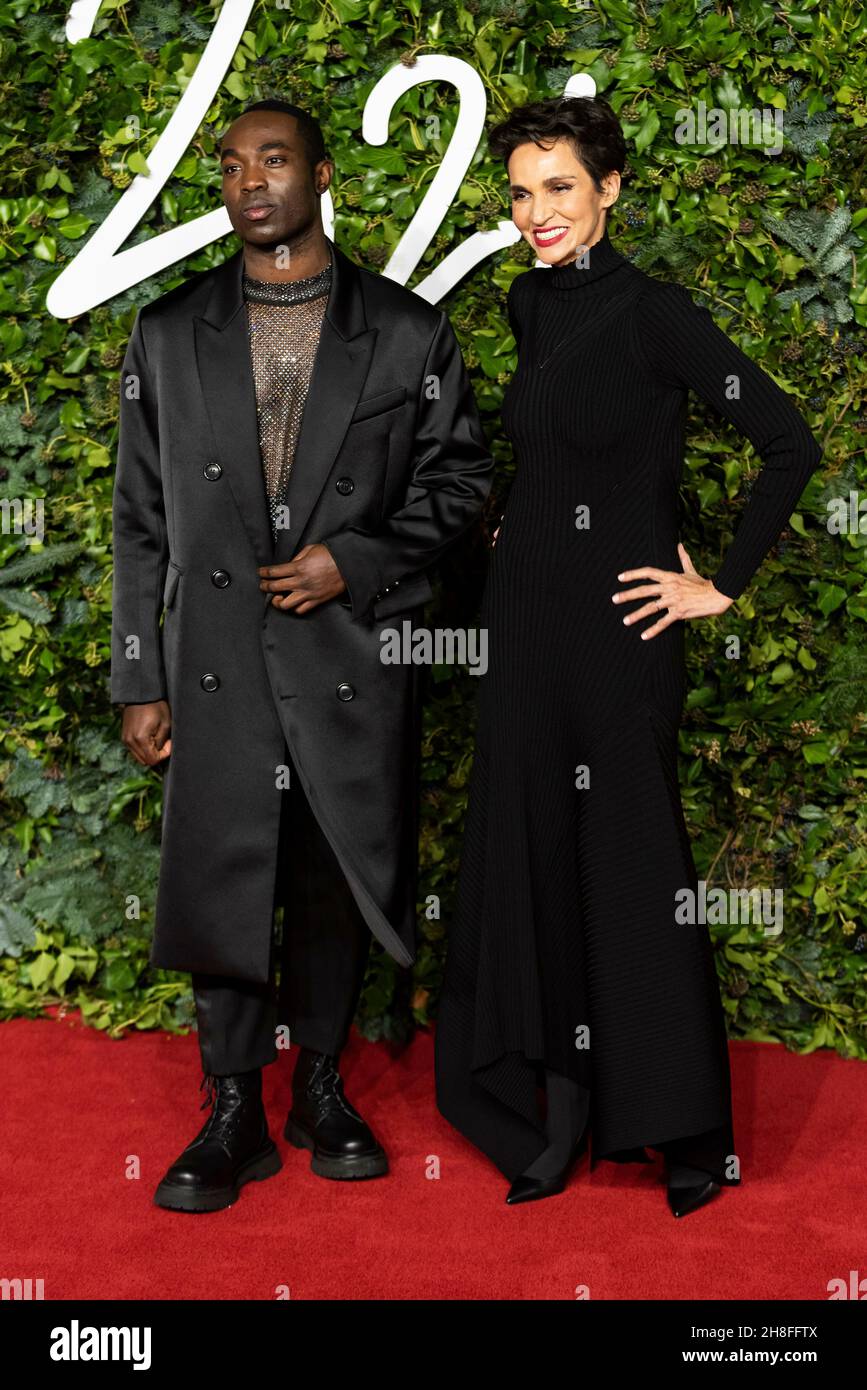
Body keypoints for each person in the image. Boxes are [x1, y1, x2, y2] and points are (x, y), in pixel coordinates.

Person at [434, 95, 822, 1217]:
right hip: (521, 628)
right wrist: (514, 524)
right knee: (536, 865)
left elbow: (787, 442)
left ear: (609, 190)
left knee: (633, 869)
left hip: (620, 636)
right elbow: (552, 444)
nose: (538, 212)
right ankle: (557, 1122)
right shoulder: (523, 305)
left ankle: (685, 1132)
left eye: (559, 187)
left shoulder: (660, 316)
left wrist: (721, 583)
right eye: (520, 192)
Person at [111, 99, 493, 1212]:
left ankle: (321, 1083)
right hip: (216, 661)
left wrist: (357, 559)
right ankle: (232, 1106)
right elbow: (138, 518)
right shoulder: (168, 334)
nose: (250, 182)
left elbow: (459, 482)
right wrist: (140, 673)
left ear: (321, 174)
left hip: (347, 656)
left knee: (333, 879)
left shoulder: (410, 334)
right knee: (227, 873)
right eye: (230, 166)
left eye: (273, 160)